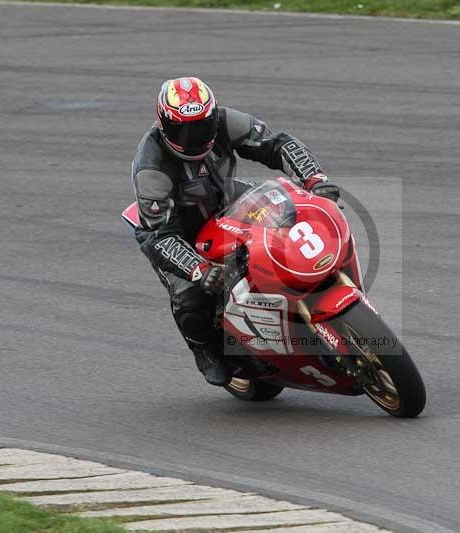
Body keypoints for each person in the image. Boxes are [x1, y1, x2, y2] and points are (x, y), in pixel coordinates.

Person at [130, 77, 340, 386]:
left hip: (229, 200)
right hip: (180, 232)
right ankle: (204, 348)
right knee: (192, 299)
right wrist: (198, 269)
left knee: (294, 215)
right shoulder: (151, 167)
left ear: (213, 116)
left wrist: (313, 177)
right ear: (164, 125)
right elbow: (159, 235)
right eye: (184, 130)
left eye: (202, 126)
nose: (195, 137)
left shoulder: (227, 121)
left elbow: (277, 142)